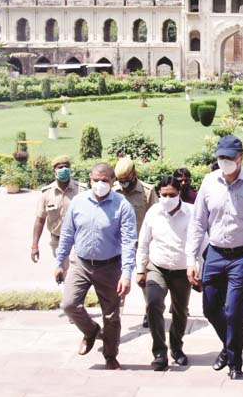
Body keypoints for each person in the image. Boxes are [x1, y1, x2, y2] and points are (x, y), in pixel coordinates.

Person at [185, 136, 243, 380]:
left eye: (229, 158)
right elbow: (197, 223)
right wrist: (191, 259)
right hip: (215, 252)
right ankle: (229, 346)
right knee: (209, 307)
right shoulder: (209, 183)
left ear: (241, 158)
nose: (225, 162)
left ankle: (235, 363)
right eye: (221, 158)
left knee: (235, 309)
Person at [54, 163, 136, 370]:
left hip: (110, 266)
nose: (99, 184)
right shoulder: (79, 202)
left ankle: (110, 355)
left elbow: (128, 241)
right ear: (89, 180)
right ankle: (90, 331)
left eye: (104, 181)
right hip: (81, 263)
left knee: (111, 315)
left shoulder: (122, 205)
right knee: (69, 304)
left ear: (113, 182)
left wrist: (126, 274)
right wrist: (60, 262)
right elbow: (67, 234)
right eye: (95, 180)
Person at [136, 176, 193, 370]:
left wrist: (197, 269)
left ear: (179, 194)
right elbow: (143, 242)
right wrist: (140, 270)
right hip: (157, 267)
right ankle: (159, 352)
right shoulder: (153, 212)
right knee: (153, 304)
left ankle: (176, 348)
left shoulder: (191, 213)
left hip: (182, 271)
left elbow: (200, 244)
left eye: (172, 195)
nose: (167, 198)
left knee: (180, 311)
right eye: (163, 195)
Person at [113, 157, 158, 327]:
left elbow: (156, 216)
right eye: (121, 181)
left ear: (134, 174)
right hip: (119, 244)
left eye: (127, 179)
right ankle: (115, 313)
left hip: (141, 244)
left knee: (145, 281)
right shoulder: (113, 191)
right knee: (117, 281)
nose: (124, 184)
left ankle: (150, 312)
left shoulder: (147, 191)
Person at [31, 156, 86, 264]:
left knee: (77, 274)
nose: (64, 169)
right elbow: (40, 220)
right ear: (54, 171)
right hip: (57, 241)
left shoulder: (81, 190)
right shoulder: (47, 193)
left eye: (67, 167)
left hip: (78, 240)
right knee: (63, 272)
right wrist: (34, 245)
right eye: (60, 167)